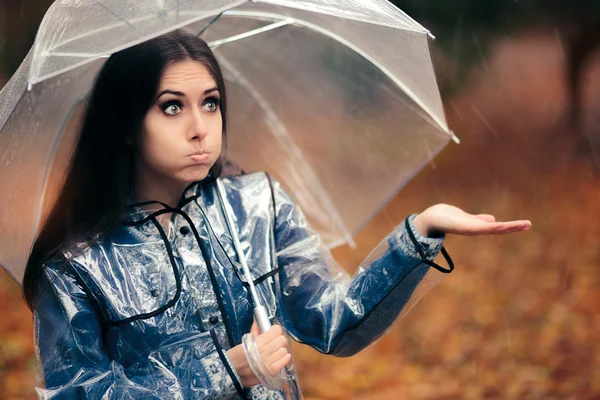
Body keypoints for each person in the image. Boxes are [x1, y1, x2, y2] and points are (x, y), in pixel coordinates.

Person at [23, 30, 531, 399]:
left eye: (212, 102)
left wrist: (422, 230)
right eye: (172, 107)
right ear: (128, 124)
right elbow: (79, 394)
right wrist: (225, 371)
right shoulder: (76, 266)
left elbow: (337, 321)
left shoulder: (255, 207)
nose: (201, 127)